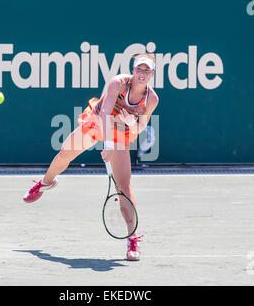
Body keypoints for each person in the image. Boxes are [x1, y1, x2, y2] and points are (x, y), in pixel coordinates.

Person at [23, 53, 159, 261]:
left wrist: (130, 123)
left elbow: (141, 126)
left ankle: (132, 238)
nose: (142, 73)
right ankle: (44, 183)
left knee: (124, 187)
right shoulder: (118, 83)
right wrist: (108, 144)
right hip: (96, 122)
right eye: (139, 69)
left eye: (146, 70)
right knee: (64, 154)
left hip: (121, 133)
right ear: (133, 70)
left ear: (152, 74)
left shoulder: (152, 99)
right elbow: (104, 112)